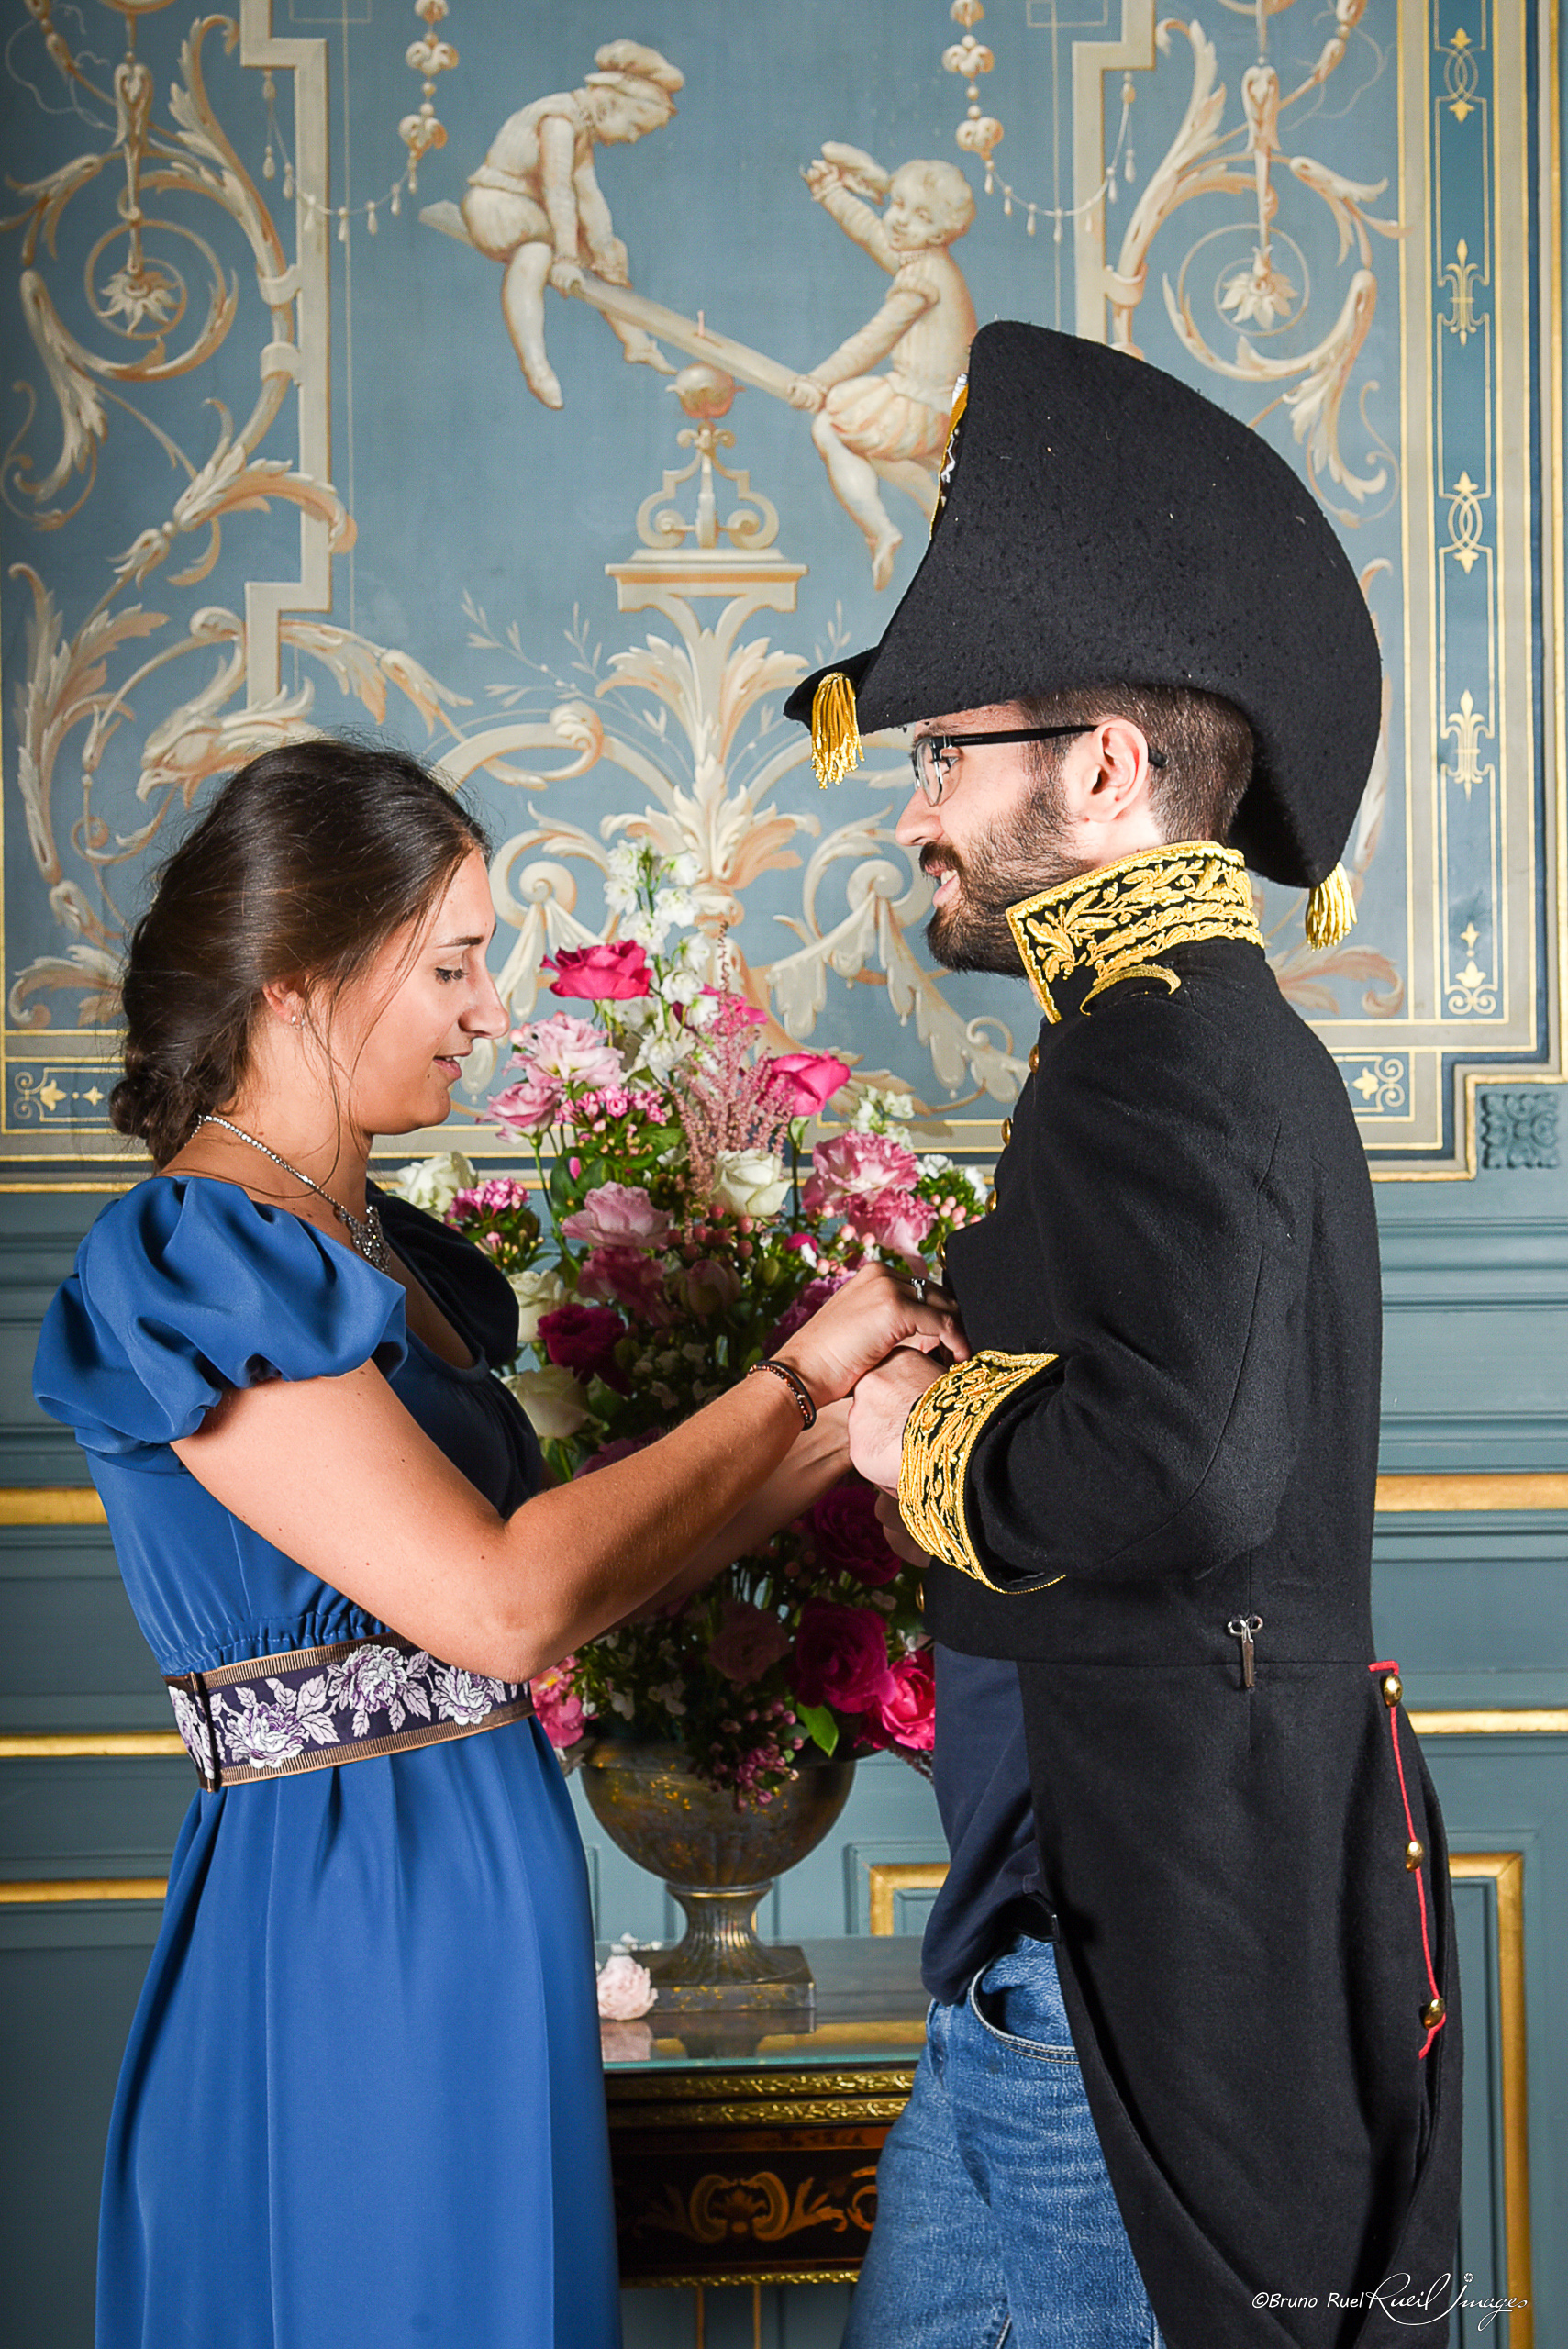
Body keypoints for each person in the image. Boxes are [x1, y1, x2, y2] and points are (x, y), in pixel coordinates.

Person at [32, 740, 962, 2349]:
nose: (488, 1010)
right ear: (296, 980)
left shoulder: (379, 1245)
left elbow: (580, 1579)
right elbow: (505, 1604)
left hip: (478, 1876)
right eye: (452, 965)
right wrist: (794, 1374)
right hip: (347, 1912)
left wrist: (844, 1414)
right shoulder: (191, 1254)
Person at [784, 323, 1462, 2349]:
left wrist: (910, 1432)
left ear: (1095, 772)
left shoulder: (1148, 1049)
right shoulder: (1170, 1038)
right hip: (1063, 1945)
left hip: (1117, 1974)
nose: (913, 813)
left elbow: (1182, 1459)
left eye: (942, 756)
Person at [788, 147, 977, 590]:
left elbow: (875, 338)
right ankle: (927, 506)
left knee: (830, 427)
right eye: (898, 205)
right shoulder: (929, 263)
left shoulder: (923, 280)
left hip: (922, 407)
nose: (900, 221)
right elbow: (873, 235)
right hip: (936, 407)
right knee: (873, 446)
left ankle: (880, 530)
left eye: (920, 216)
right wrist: (832, 193)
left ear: (939, 232)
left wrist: (819, 381)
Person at [461, 39, 681, 409]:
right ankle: (536, 365)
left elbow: (589, 197)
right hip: (497, 206)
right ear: (610, 104)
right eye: (635, 127)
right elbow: (557, 189)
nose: (631, 139)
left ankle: (637, 343)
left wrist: (604, 248)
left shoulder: (581, 126)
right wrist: (566, 257)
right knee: (536, 254)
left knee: (610, 250)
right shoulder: (559, 121)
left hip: (533, 212)